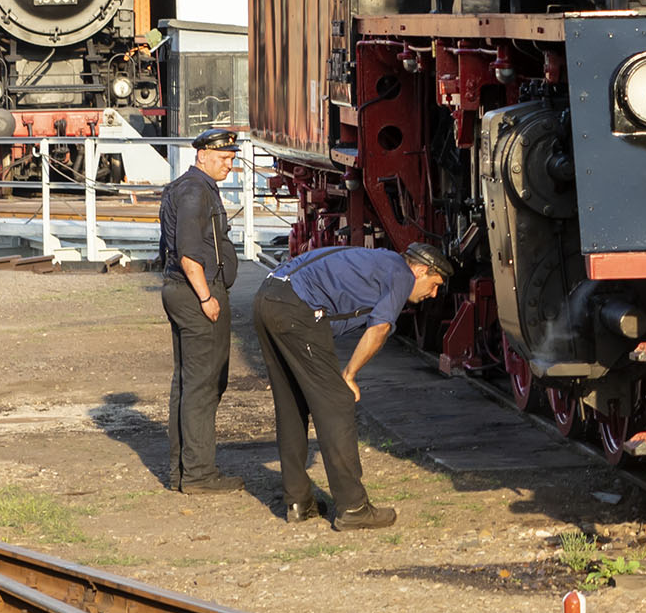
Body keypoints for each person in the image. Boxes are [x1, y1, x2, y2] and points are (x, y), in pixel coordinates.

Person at [250, 238, 450, 528]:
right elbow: (379, 328)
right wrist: (350, 375)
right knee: (338, 403)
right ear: (420, 270)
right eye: (435, 284)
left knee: (292, 403)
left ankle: (298, 502)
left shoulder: (379, 260)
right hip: (298, 308)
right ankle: (353, 507)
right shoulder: (402, 276)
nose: (433, 294)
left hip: (268, 297)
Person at [157, 127, 244, 494]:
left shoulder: (188, 186)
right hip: (196, 295)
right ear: (203, 155)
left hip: (182, 292)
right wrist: (207, 297)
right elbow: (189, 251)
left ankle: (183, 472)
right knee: (204, 386)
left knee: (188, 383)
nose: (229, 165)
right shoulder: (195, 191)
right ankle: (198, 475)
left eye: (232, 159)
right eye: (224, 159)